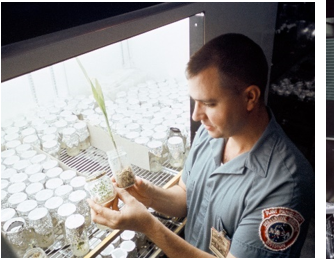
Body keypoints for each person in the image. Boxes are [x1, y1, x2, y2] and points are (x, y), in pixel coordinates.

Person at [88, 33, 314, 258]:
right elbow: (187, 195)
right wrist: (148, 196)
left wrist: (148, 226)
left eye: (209, 103)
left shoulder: (285, 187)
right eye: (195, 101)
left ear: (250, 97)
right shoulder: (213, 133)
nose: (196, 115)